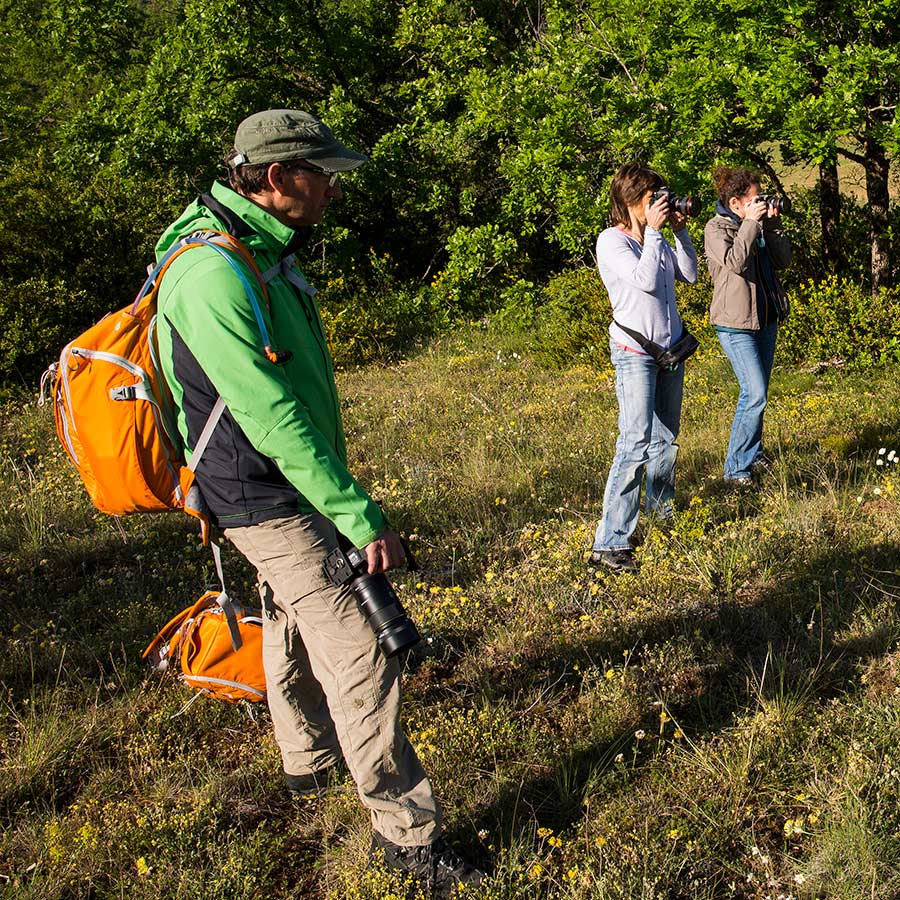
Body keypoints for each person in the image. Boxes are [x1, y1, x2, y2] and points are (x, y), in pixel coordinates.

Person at [154, 109, 482, 897]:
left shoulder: (252, 247)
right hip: (265, 493)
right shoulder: (213, 272)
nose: (333, 186)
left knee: (292, 612)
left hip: (278, 483)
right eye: (321, 172)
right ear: (275, 180)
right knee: (363, 648)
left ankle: (305, 761)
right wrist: (359, 515)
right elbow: (271, 415)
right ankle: (407, 839)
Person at [589, 162, 698, 573]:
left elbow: (687, 274)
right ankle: (610, 542)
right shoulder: (611, 242)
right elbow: (647, 281)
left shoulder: (656, 238)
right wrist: (653, 232)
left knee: (666, 440)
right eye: (653, 198)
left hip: (670, 351)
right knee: (634, 443)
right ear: (631, 200)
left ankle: (661, 516)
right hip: (635, 353)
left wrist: (680, 232)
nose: (660, 204)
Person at [704, 167, 791, 485]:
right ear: (735, 202)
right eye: (755, 199)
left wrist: (773, 223)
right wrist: (752, 224)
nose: (761, 203)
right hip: (735, 324)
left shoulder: (758, 224)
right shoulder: (716, 228)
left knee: (760, 393)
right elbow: (735, 263)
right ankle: (736, 468)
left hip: (766, 319)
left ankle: (752, 454)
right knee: (753, 394)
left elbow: (784, 261)